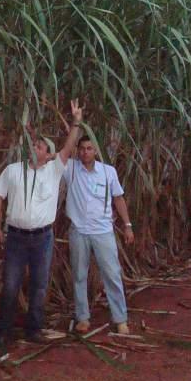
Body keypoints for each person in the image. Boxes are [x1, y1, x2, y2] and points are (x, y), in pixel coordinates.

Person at [0, 100, 84, 356]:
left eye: (40, 146)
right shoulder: (12, 171)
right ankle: (2, 332)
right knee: (10, 285)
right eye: (34, 144)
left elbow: (68, 147)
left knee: (40, 285)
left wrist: (75, 122)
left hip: (42, 237)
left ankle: (33, 329)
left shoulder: (53, 171)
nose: (35, 147)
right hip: (16, 238)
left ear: (47, 154)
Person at [62, 133, 135, 335]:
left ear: (96, 150)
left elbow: (118, 199)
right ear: (78, 150)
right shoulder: (70, 169)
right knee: (78, 274)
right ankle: (82, 317)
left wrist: (127, 225)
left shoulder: (108, 172)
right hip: (79, 231)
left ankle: (120, 319)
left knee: (112, 274)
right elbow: (59, 155)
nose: (85, 152)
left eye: (89, 148)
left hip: (103, 232)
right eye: (82, 148)